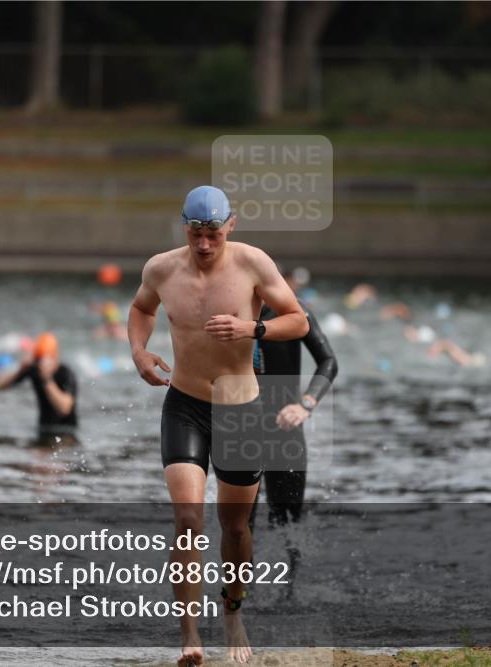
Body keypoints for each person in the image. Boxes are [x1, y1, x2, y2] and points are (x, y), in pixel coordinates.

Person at [128, 185, 308, 666]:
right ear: (183, 226)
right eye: (194, 233)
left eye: (212, 233)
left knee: (234, 528)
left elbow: (299, 320)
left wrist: (254, 328)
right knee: (188, 520)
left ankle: (232, 613)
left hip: (240, 404)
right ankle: (189, 635)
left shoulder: (253, 264)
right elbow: (142, 309)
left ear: (230, 225)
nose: (204, 244)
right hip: (184, 403)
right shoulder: (161, 268)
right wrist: (140, 352)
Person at [253, 265, 338, 527]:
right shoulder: (228, 313)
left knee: (287, 522)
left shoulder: (293, 311)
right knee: (239, 523)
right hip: (241, 424)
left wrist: (305, 404)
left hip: (284, 423)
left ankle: (291, 568)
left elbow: (328, 362)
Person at [0, 332, 77, 435]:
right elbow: (0, 386)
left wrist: (47, 381)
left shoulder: (66, 373)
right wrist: (20, 371)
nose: (42, 364)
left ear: (55, 357)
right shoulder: (35, 370)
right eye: (39, 360)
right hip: (44, 428)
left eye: (45, 360)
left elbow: (65, 408)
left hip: (67, 430)